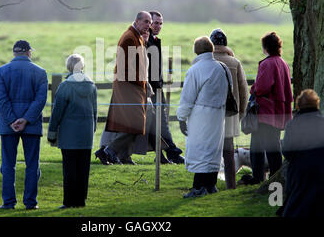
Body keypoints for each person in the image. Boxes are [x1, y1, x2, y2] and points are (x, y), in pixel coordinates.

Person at [0, 40, 47, 210]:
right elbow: (40, 100)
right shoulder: (40, 72)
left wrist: (11, 120)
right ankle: (31, 203)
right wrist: (26, 119)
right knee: (32, 164)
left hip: (8, 126)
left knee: (8, 165)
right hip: (31, 125)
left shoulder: (2, 71)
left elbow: (1, 100)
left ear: (14, 53)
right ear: (29, 52)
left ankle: (8, 202)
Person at [95, 11, 150, 165]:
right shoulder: (129, 38)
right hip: (129, 88)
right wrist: (141, 84)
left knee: (131, 124)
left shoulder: (136, 36)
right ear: (137, 21)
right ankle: (109, 151)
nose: (148, 25)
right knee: (137, 124)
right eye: (146, 21)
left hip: (134, 88)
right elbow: (126, 68)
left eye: (149, 22)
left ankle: (123, 156)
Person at [177, 36, 230, 198]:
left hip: (200, 115)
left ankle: (198, 187)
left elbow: (187, 97)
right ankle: (211, 184)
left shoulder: (195, 69)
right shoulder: (222, 67)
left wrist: (181, 117)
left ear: (196, 51)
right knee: (213, 149)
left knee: (200, 150)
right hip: (218, 113)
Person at [282, 89, 324, 217]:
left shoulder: (292, 125)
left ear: (299, 105)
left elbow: (287, 151)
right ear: (317, 104)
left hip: (300, 176)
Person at [47, 54, 97, 209]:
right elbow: (95, 111)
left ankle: (69, 202)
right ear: (82, 67)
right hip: (86, 134)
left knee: (69, 169)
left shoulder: (66, 86)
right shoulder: (91, 85)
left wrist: (52, 132)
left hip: (69, 133)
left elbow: (57, 112)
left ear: (68, 67)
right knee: (83, 169)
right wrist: (92, 129)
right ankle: (81, 201)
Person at [249, 32, 293, 184]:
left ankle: (258, 178)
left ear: (265, 47)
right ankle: (276, 179)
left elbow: (262, 88)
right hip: (278, 112)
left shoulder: (267, 63)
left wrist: (252, 89)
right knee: (274, 147)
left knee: (256, 146)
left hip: (266, 112)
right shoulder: (283, 62)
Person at [145, 11, 184, 164]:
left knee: (157, 123)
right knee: (159, 122)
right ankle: (172, 152)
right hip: (151, 89)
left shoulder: (153, 40)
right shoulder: (146, 41)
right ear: (149, 23)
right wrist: (156, 86)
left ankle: (161, 156)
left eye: (161, 23)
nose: (159, 26)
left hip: (156, 87)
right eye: (156, 23)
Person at [210, 28, 248, 189]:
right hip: (231, 113)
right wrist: (241, 112)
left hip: (209, 113)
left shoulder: (203, 61)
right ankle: (231, 185)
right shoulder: (235, 63)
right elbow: (244, 91)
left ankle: (209, 184)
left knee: (211, 150)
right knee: (229, 151)